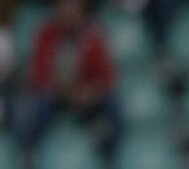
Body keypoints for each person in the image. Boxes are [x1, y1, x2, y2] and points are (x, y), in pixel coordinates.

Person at [18, 0, 122, 156]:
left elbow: (106, 76)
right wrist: (65, 92)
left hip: (85, 94)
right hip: (56, 95)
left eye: (73, 6)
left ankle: (111, 157)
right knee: (39, 104)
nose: (68, 10)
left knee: (112, 103)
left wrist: (93, 91)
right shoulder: (45, 35)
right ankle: (30, 154)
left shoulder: (93, 35)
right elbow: (39, 77)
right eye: (64, 5)